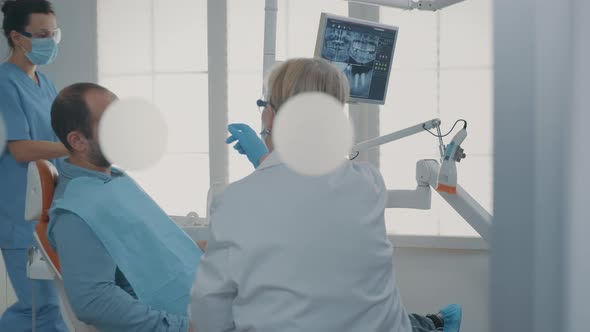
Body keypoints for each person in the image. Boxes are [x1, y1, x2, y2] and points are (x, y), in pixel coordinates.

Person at [190, 58, 462, 332]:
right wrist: (267, 160)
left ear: (271, 115)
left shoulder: (236, 200)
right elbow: (308, 214)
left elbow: (207, 318)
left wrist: (267, 158)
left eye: (264, 107)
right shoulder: (369, 183)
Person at [47, 82, 202, 332]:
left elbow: (152, 243)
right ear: (77, 140)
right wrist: (184, 328)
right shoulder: (75, 212)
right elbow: (93, 301)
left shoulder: (113, 179)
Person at [0, 0, 68, 330]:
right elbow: (21, 148)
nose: (49, 41)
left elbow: (57, 141)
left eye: (53, 33)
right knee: (41, 309)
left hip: (48, 212)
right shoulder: (4, 83)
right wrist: (76, 148)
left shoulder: (46, 83)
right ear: (17, 37)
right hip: (19, 215)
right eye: (41, 34)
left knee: (47, 308)